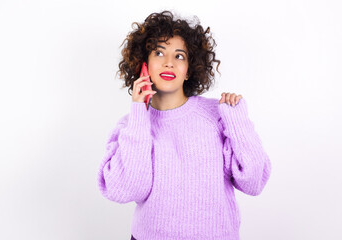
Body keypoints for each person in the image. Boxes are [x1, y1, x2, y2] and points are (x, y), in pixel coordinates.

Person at [97, 10, 272, 240]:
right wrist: (140, 113)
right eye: (159, 53)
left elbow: (253, 181)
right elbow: (128, 188)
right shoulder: (131, 125)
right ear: (144, 64)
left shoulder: (217, 115)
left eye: (179, 56)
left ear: (189, 69)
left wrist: (237, 121)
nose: (169, 63)